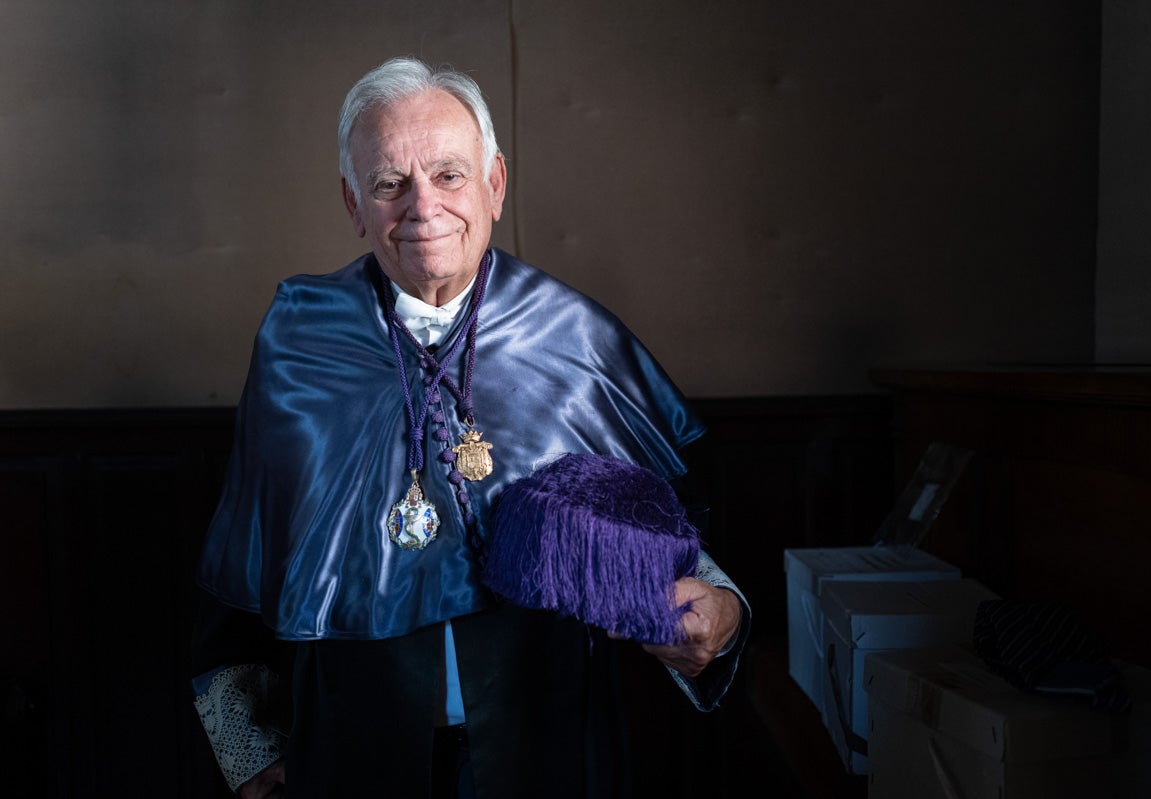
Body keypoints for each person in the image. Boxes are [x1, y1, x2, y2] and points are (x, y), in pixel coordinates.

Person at [191, 56, 750, 799]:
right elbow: (249, 545)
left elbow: (676, 533)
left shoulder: (572, 337)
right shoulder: (298, 337)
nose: (422, 206)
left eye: (450, 175)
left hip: (544, 726)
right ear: (354, 203)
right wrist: (247, 742)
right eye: (389, 183)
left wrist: (724, 614)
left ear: (495, 183)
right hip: (354, 736)